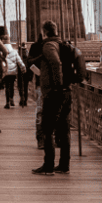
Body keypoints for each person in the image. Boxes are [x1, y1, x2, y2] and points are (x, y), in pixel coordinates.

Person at [33, 20, 71, 175]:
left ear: (44, 32)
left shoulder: (48, 45)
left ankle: (48, 166)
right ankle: (64, 165)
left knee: (47, 129)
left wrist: (56, 85)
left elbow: (55, 63)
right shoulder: (64, 45)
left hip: (54, 93)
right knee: (63, 128)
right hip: (67, 92)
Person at [0, 26, 22, 108]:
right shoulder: (14, 51)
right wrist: (23, 68)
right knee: (11, 85)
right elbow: (19, 61)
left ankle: (7, 101)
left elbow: (0, 60)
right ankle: (12, 99)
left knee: (6, 86)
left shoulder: (1, 51)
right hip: (13, 72)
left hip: (5, 71)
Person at [16, 40, 30, 107]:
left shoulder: (19, 53)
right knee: (25, 86)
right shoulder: (27, 53)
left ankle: (22, 98)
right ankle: (25, 100)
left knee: (20, 85)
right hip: (26, 71)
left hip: (20, 71)